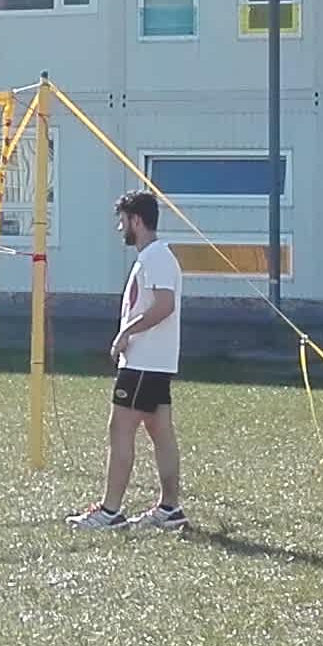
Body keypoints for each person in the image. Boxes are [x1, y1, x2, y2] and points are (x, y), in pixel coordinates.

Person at [74, 189, 186, 531]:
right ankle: (169, 510)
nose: (120, 227)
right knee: (160, 431)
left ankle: (109, 512)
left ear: (136, 220)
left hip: (143, 364)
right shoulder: (151, 257)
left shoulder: (156, 257)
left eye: (122, 220)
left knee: (120, 429)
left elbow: (165, 305)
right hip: (151, 364)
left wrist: (126, 334)